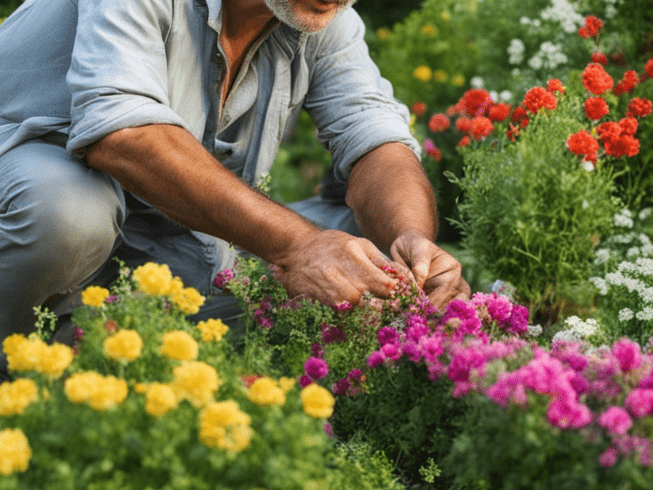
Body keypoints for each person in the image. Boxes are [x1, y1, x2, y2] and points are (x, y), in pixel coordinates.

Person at [0, 0, 470, 380]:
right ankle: (17, 381)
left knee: (367, 259)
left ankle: (98, 366)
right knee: (66, 211)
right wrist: (299, 245)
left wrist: (412, 247)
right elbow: (124, 135)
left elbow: (378, 143)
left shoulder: (321, 17)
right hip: (31, 194)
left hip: (155, 248)